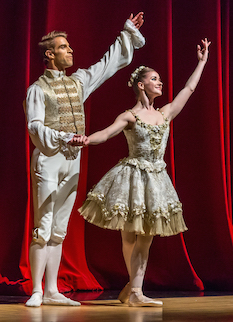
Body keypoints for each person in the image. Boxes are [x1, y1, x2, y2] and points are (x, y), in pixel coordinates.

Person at [71, 38, 211, 307]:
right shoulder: (130, 116)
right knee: (128, 234)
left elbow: (189, 88)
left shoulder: (166, 113)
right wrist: (87, 139)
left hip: (157, 179)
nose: (160, 83)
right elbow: (107, 133)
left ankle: (134, 289)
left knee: (145, 236)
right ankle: (135, 290)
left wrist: (202, 62)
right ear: (140, 84)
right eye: (154, 79)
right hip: (132, 176)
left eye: (159, 79)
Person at [24, 12, 145, 307]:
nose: (71, 50)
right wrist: (64, 137)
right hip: (49, 158)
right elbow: (34, 126)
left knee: (60, 226)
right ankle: (37, 291)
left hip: (72, 160)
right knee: (44, 223)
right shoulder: (37, 89)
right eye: (64, 47)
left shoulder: (78, 82)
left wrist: (126, 31)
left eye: (69, 46)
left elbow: (106, 66)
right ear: (50, 54)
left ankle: (52, 290)